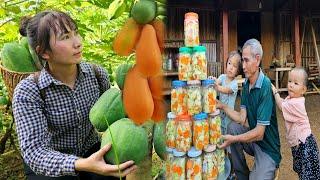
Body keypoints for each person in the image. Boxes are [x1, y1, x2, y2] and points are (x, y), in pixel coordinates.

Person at [12, 10, 137, 179]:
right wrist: (81, 164)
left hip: (92, 151)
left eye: (76, 33)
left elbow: (112, 113)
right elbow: (35, 152)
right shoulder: (28, 91)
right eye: (65, 37)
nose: (77, 42)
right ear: (44, 52)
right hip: (51, 161)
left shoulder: (96, 74)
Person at [217, 39, 281, 180]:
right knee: (232, 127)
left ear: (257, 60)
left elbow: (259, 133)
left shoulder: (265, 86)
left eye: (246, 61)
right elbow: (241, 118)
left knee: (256, 178)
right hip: (254, 141)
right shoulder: (246, 84)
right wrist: (222, 106)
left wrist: (234, 139)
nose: (243, 66)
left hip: (267, 148)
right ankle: (241, 175)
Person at [272, 67, 320, 179]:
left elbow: (281, 105)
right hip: (299, 145)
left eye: (295, 83)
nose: (291, 85)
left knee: (307, 175)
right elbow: (285, 102)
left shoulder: (297, 103)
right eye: (289, 81)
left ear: (303, 90)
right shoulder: (292, 99)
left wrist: (275, 92)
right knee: (303, 173)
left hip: (304, 144)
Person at [212, 51, 241, 135]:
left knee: (228, 133)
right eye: (229, 63)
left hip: (229, 115)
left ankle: (228, 147)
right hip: (220, 113)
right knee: (220, 131)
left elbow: (226, 90)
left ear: (237, 71)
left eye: (234, 66)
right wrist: (213, 80)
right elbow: (216, 82)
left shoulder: (235, 84)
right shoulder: (222, 77)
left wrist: (217, 87)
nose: (231, 67)